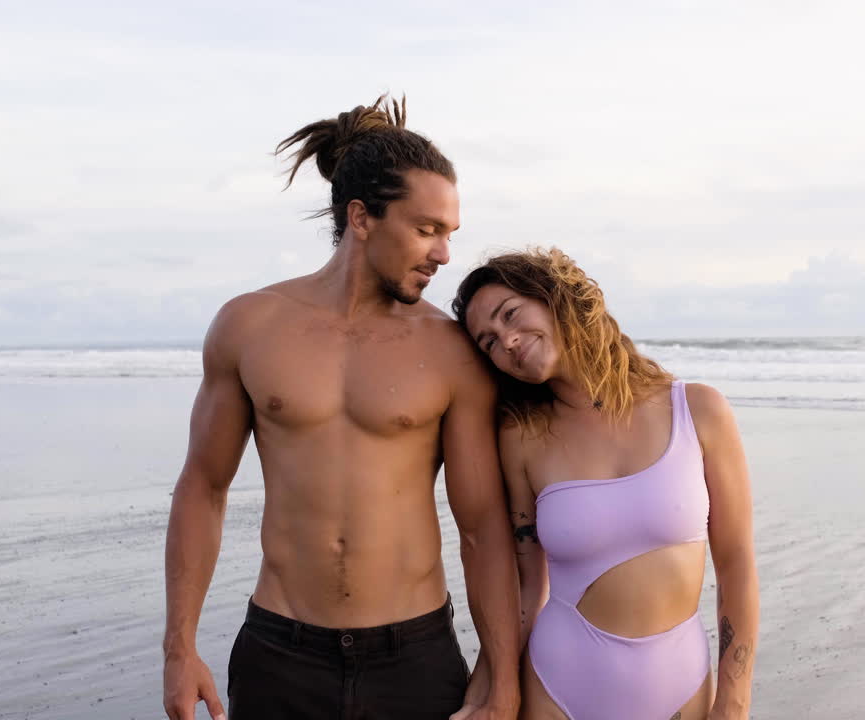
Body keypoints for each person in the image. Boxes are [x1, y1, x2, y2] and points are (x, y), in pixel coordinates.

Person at [161, 95, 521, 720]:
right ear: (361, 217)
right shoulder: (250, 326)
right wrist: (179, 647)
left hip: (414, 655)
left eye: (449, 234)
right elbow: (203, 488)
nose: (443, 254)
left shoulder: (451, 351)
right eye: (426, 229)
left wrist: (505, 677)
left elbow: (483, 525)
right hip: (280, 651)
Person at [451, 248, 759, 720]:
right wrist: (489, 688)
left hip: (679, 682)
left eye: (510, 315)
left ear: (554, 298)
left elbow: (736, 564)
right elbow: (526, 585)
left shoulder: (698, 411)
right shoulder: (522, 438)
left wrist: (734, 702)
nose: (507, 341)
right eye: (488, 342)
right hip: (559, 682)